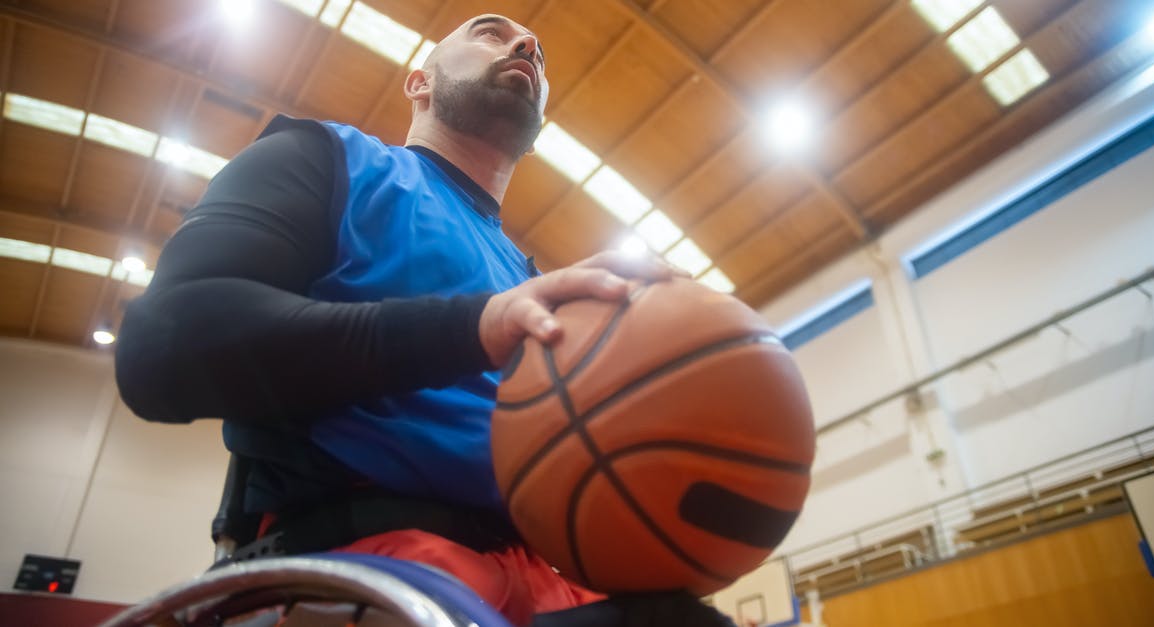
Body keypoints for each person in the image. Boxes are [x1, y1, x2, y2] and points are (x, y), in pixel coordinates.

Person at [115, 13, 734, 627]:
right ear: (421, 82)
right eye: (489, 32)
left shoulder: (534, 282)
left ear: (537, 132)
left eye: (538, 52)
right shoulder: (329, 158)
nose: (526, 45)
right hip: (376, 564)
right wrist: (473, 328)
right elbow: (164, 340)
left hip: (541, 576)